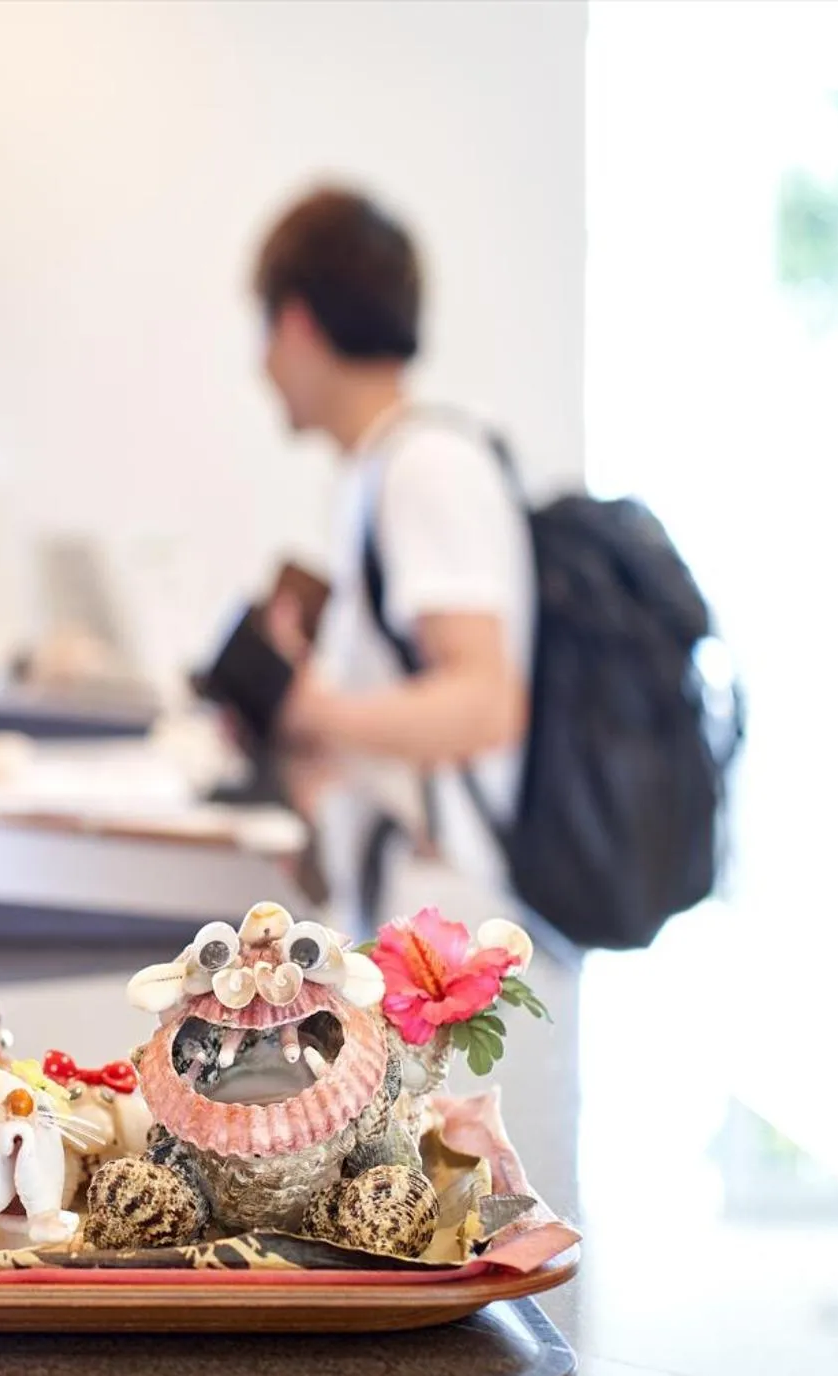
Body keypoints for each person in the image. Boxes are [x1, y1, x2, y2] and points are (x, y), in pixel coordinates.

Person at [252, 188, 533, 892]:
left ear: (297, 323)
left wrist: (313, 710)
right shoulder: (378, 469)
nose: (261, 367)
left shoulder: (426, 466)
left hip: (447, 919)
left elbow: (485, 703)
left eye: (264, 334)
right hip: (402, 899)